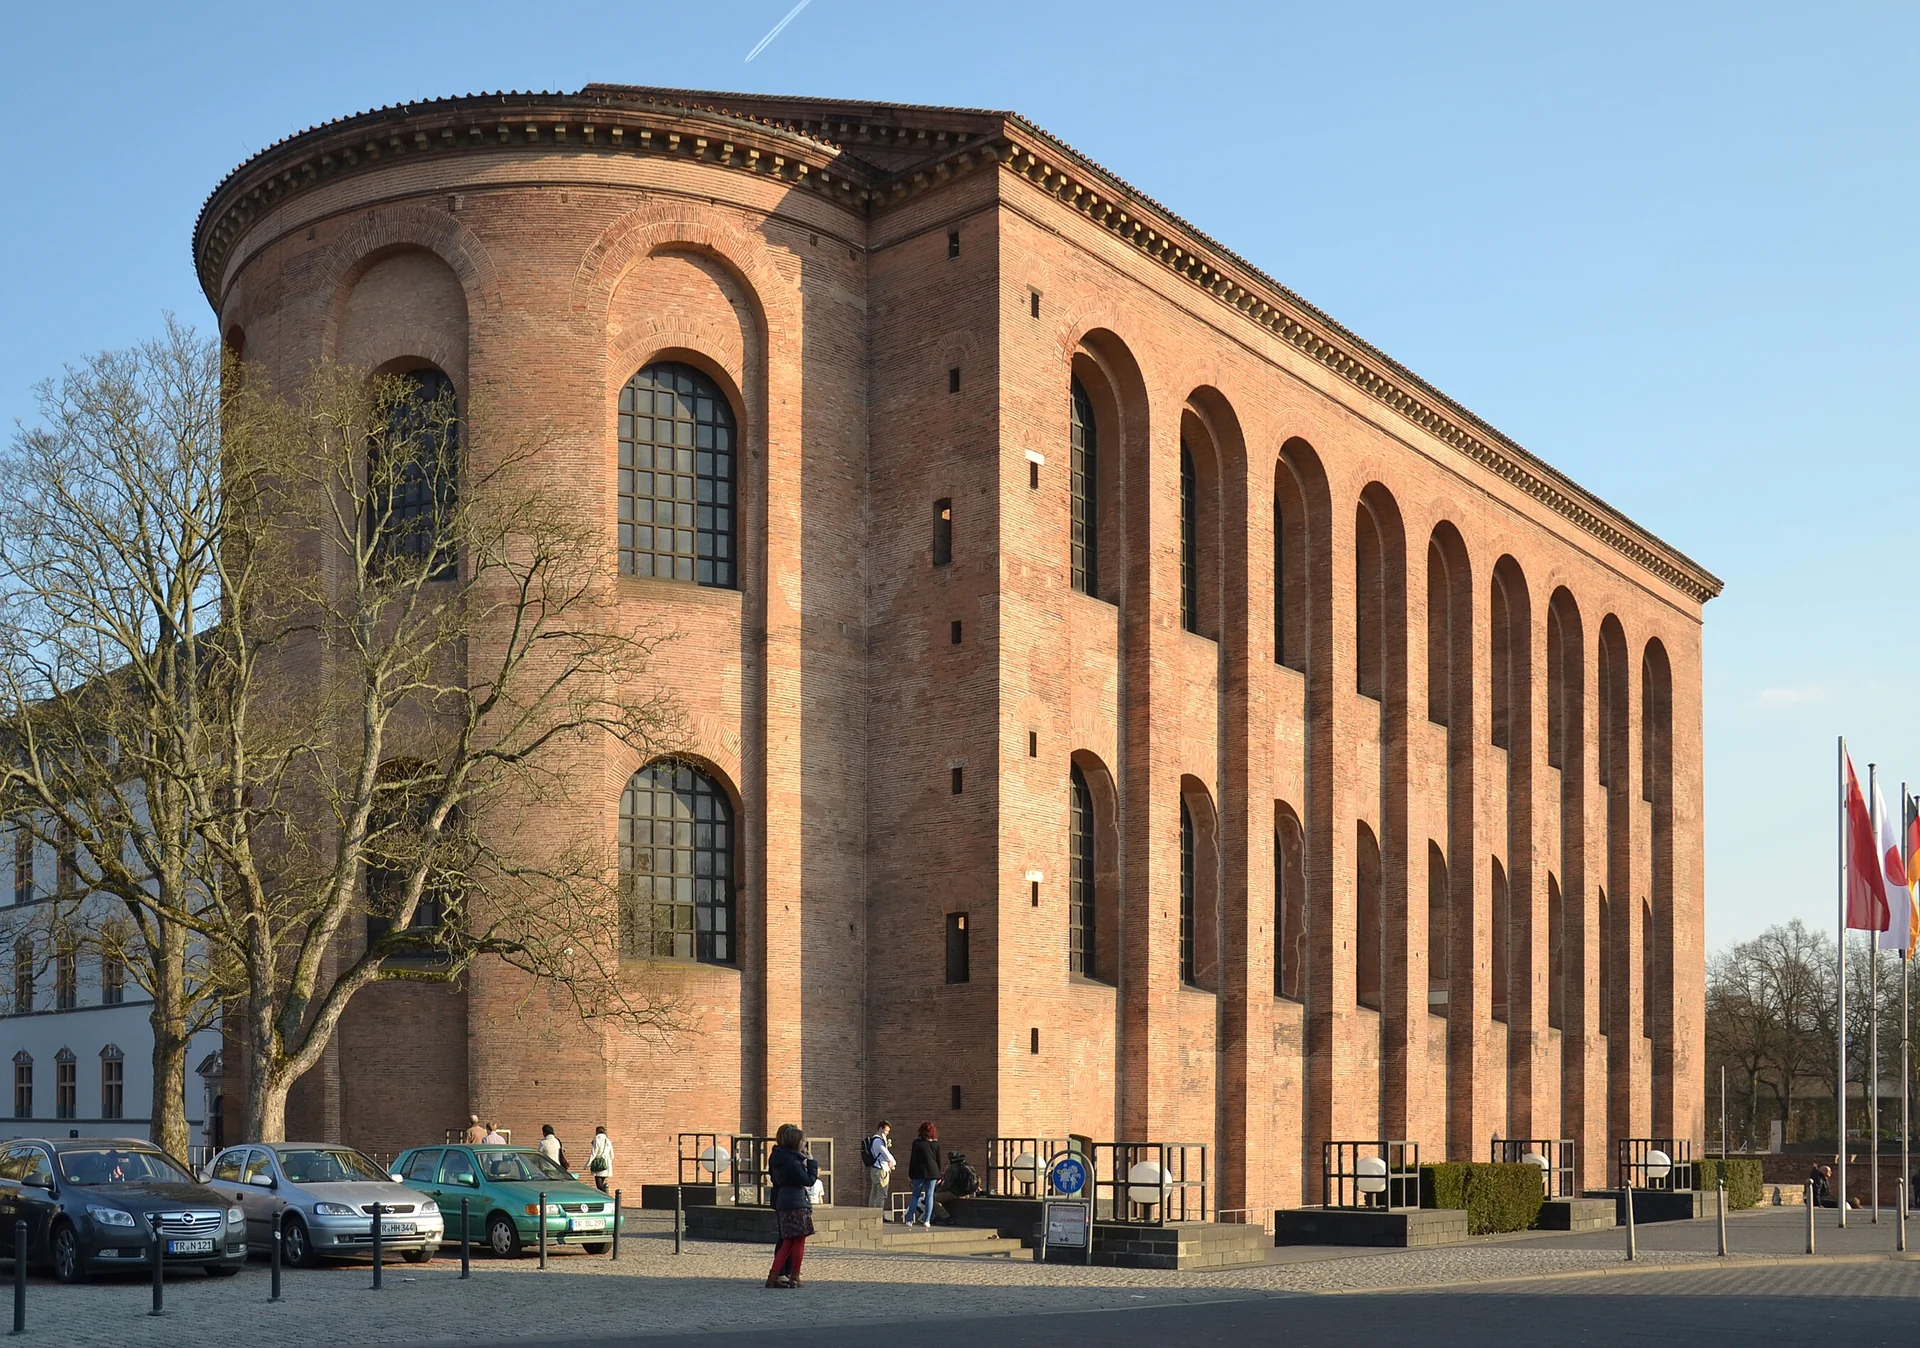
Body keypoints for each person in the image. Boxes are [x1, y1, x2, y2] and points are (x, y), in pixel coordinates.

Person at [766, 1123, 818, 1289]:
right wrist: (811, 1162)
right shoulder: (792, 1162)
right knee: (798, 1241)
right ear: (796, 1142)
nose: (805, 1144)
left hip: (783, 1200)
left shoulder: (778, 1158)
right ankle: (794, 1275)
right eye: (803, 1141)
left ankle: (774, 1275)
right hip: (796, 1202)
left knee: (787, 1241)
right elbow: (808, 1180)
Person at [905, 1121, 940, 1228]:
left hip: (919, 1172)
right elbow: (938, 1160)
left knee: (915, 1195)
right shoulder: (936, 1144)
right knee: (929, 1196)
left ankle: (909, 1220)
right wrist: (939, 1175)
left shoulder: (917, 1143)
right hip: (933, 1172)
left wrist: (910, 1174)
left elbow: (913, 1160)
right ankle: (927, 1220)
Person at [864, 1120, 895, 1210]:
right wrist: (893, 1161)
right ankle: (879, 1214)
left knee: (874, 1193)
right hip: (881, 1170)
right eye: (886, 1131)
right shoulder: (878, 1141)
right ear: (880, 1128)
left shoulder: (875, 1140)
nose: (887, 1133)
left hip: (876, 1168)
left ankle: (872, 1212)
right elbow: (885, 1153)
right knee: (881, 1194)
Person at [588, 1125, 615, 1194]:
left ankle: (606, 1196)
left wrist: (587, 1164)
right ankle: (605, 1195)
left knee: (599, 1184)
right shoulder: (608, 1140)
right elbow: (612, 1155)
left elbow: (594, 1153)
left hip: (598, 1164)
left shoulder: (597, 1139)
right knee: (601, 1183)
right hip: (606, 1164)